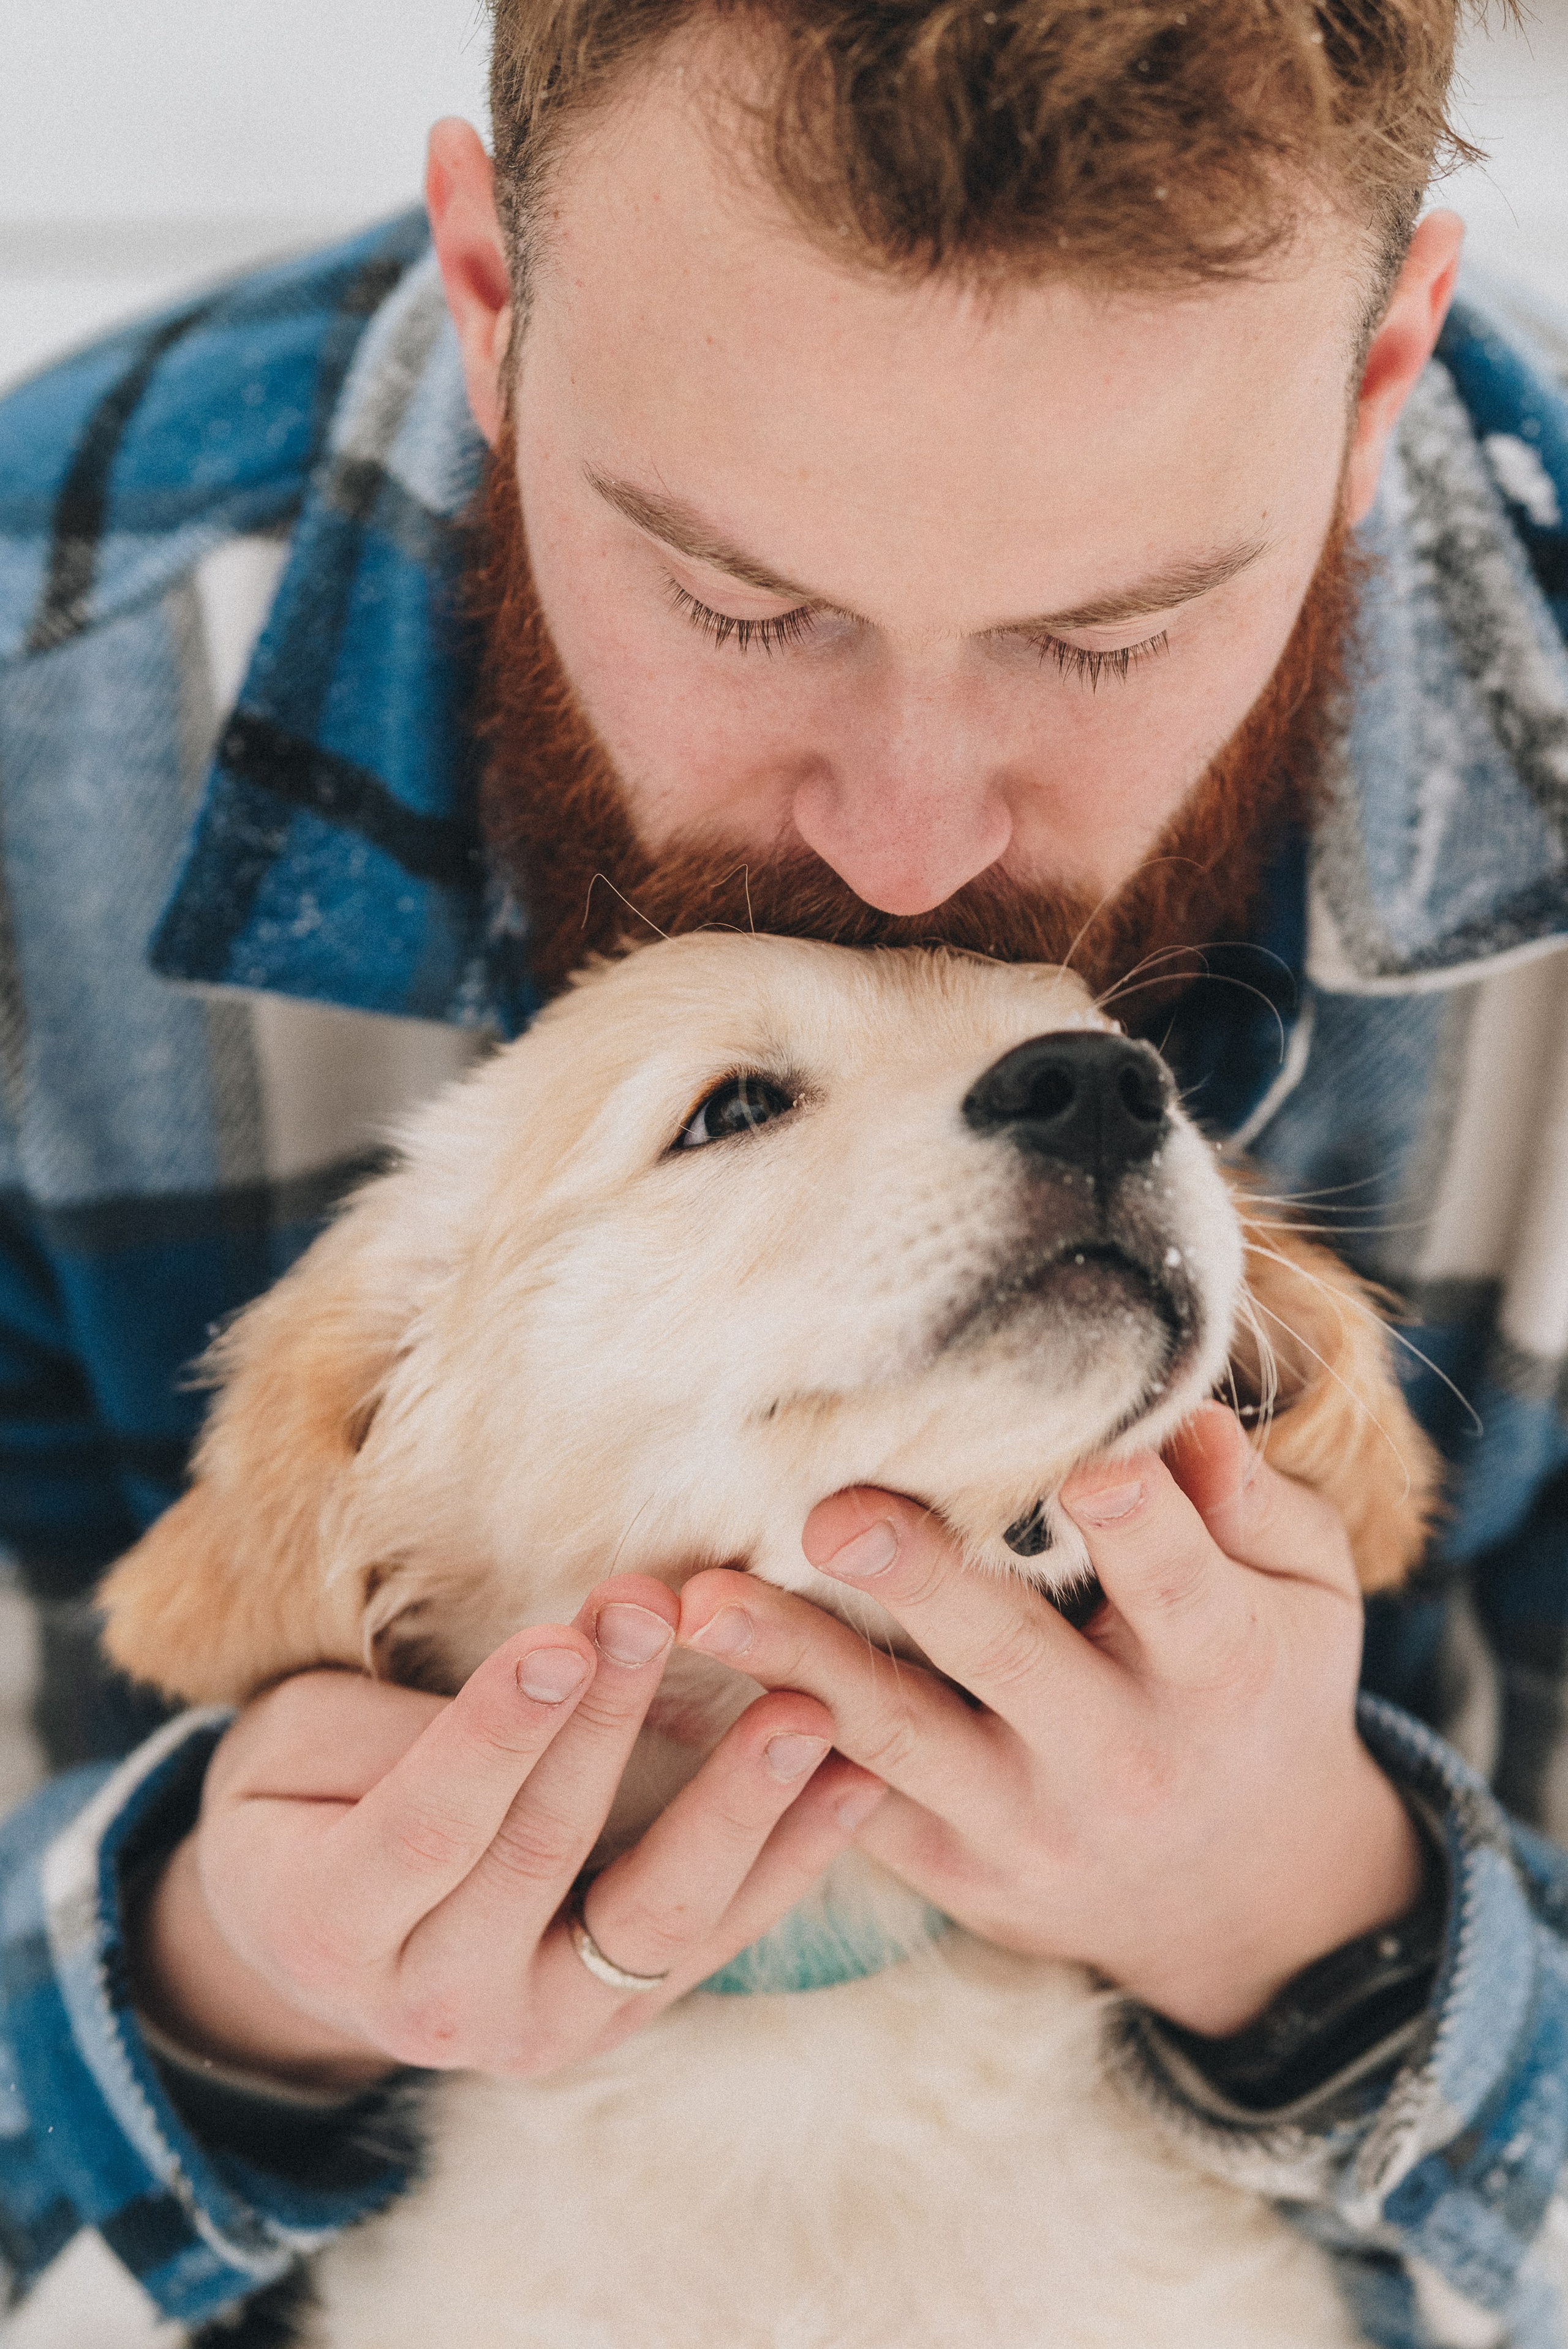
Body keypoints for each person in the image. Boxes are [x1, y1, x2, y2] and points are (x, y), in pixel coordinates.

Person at [0, 1, 1566, 2342]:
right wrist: (210, 1988)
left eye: (1110, 630)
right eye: (740, 600)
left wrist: (1321, 1931)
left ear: (1380, 384)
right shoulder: (37, 690)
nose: (909, 849)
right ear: (493, 296)